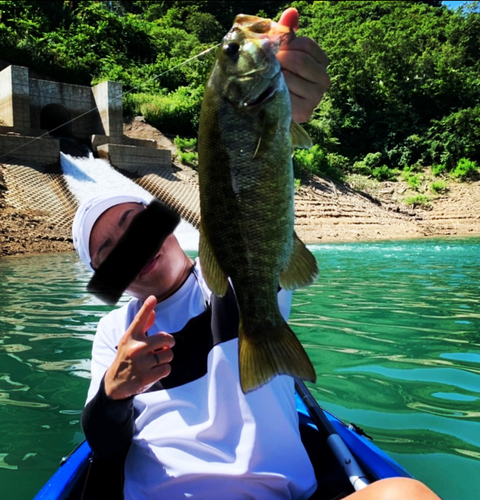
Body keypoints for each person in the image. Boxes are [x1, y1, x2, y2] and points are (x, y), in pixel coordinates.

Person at [74, 8, 441, 500]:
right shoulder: (113, 333)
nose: (130, 249)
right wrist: (115, 393)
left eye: (134, 226)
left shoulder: (223, 285)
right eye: (108, 252)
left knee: (406, 495)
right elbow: (104, 442)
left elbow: (252, 184)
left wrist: (285, 106)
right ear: (103, 275)